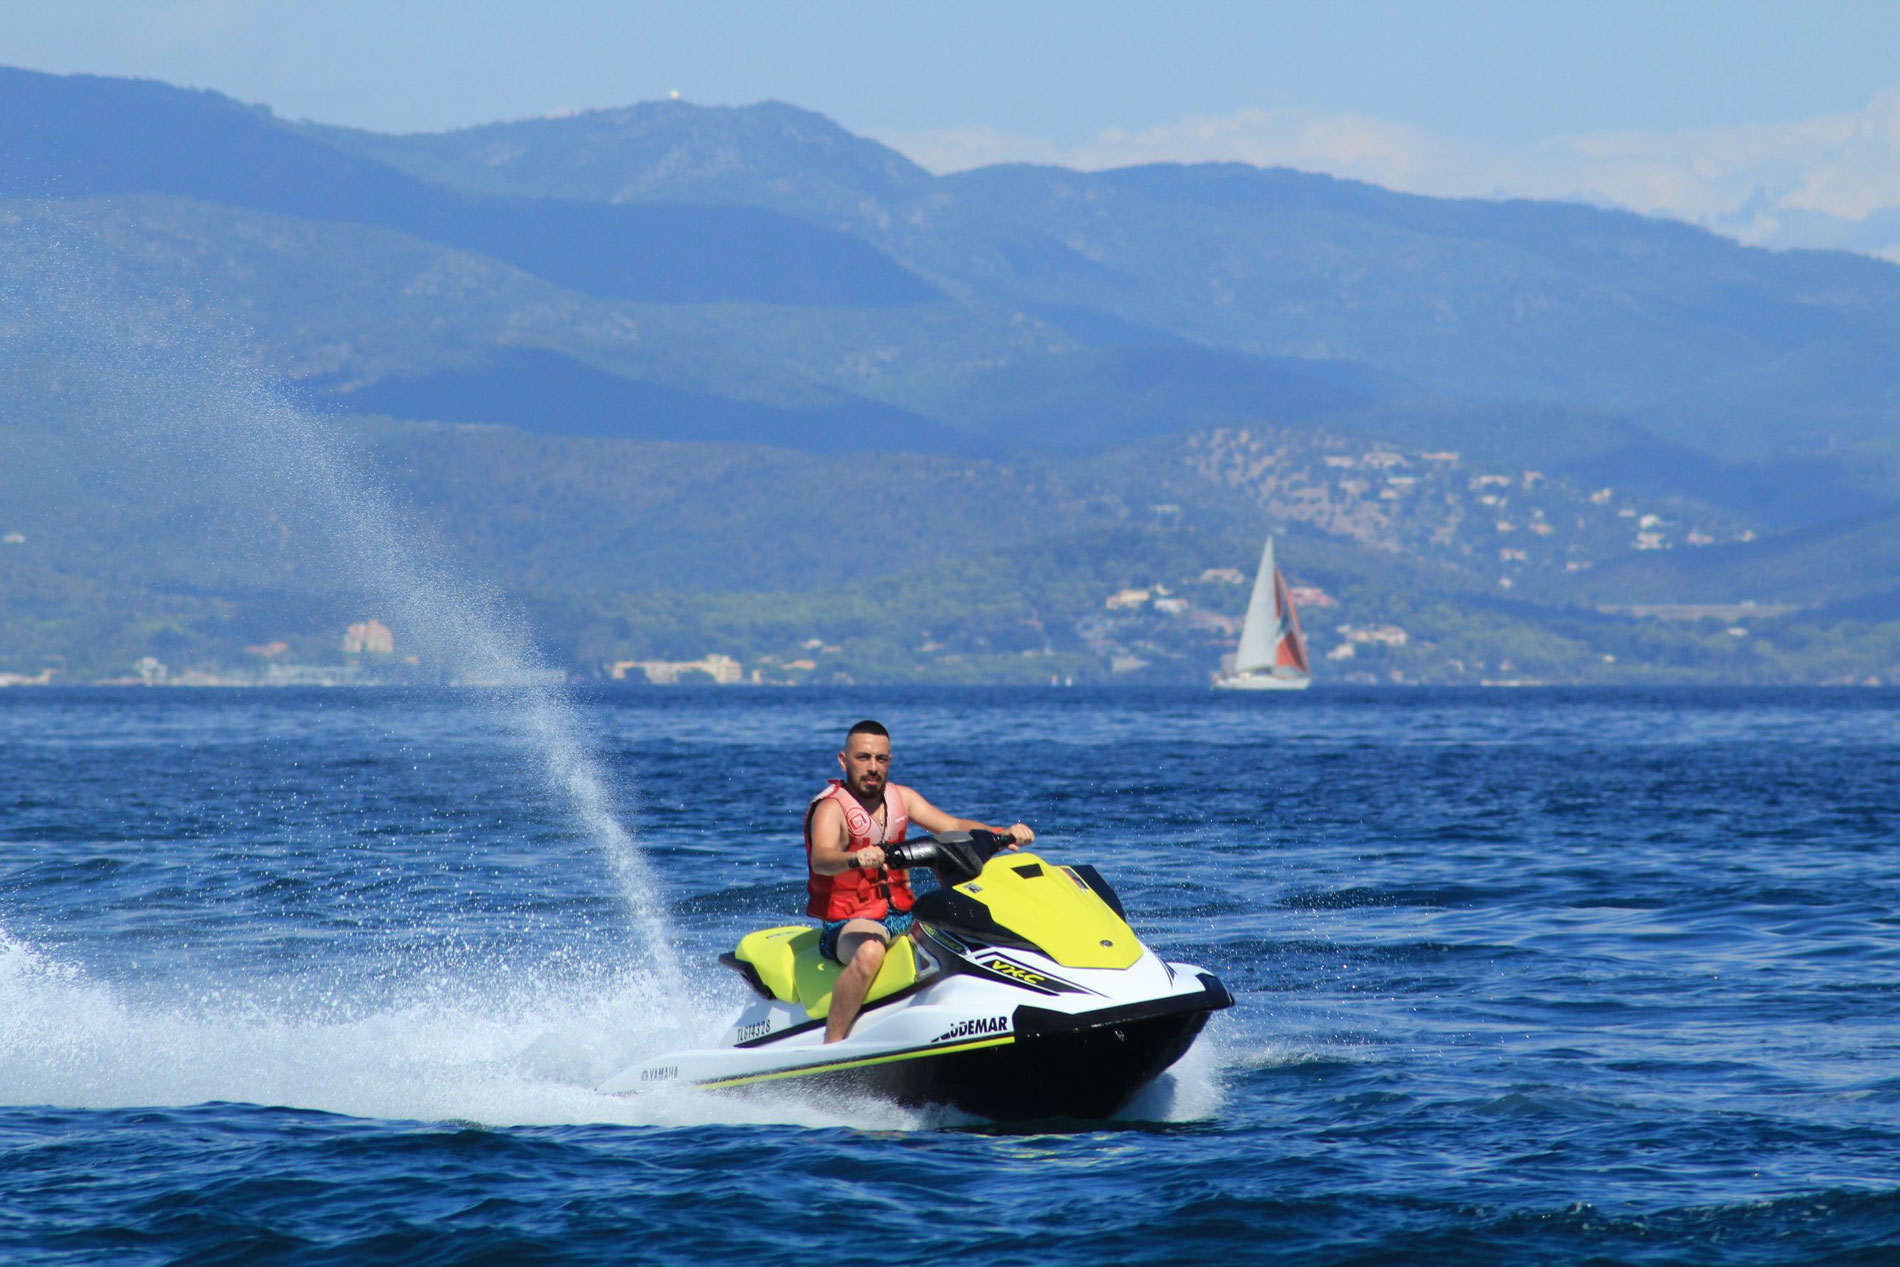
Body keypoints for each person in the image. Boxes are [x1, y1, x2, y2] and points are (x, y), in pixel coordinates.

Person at [804, 719, 1034, 1043]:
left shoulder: (902, 798)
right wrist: (855, 858)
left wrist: (1000, 833)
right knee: (870, 952)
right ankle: (832, 1045)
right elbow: (822, 858)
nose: (873, 767)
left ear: (890, 761)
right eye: (863, 758)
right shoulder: (831, 808)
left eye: (881, 759)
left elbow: (952, 825)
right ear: (844, 761)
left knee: (967, 929)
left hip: (903, 913)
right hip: (849, 921)